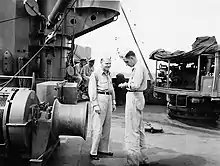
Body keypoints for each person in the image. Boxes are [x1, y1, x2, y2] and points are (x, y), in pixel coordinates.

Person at [118, 51, 149, 166]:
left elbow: (135, 85)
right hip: (138, 97)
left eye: (126, 61)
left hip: (134, 96)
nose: (126, 64)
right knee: (140, 130)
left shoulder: (138, 68)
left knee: (132, 131)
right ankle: (143, 158)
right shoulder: (139, 67)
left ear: (131, 58)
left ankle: (133, 162)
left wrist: (126, 85)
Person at [88, 57, 116, 160]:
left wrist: (113, 101)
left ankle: (103, 149)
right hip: (100, 99)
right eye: (106, 63)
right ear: (101, 63)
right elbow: (92, 90)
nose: (108, 65)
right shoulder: (95, 74)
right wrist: (95, 104)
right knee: (97, 127)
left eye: (110, 63)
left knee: (107, 126)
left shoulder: (109, 74)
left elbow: (111, 88)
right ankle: (93, 152)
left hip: (108, 98)